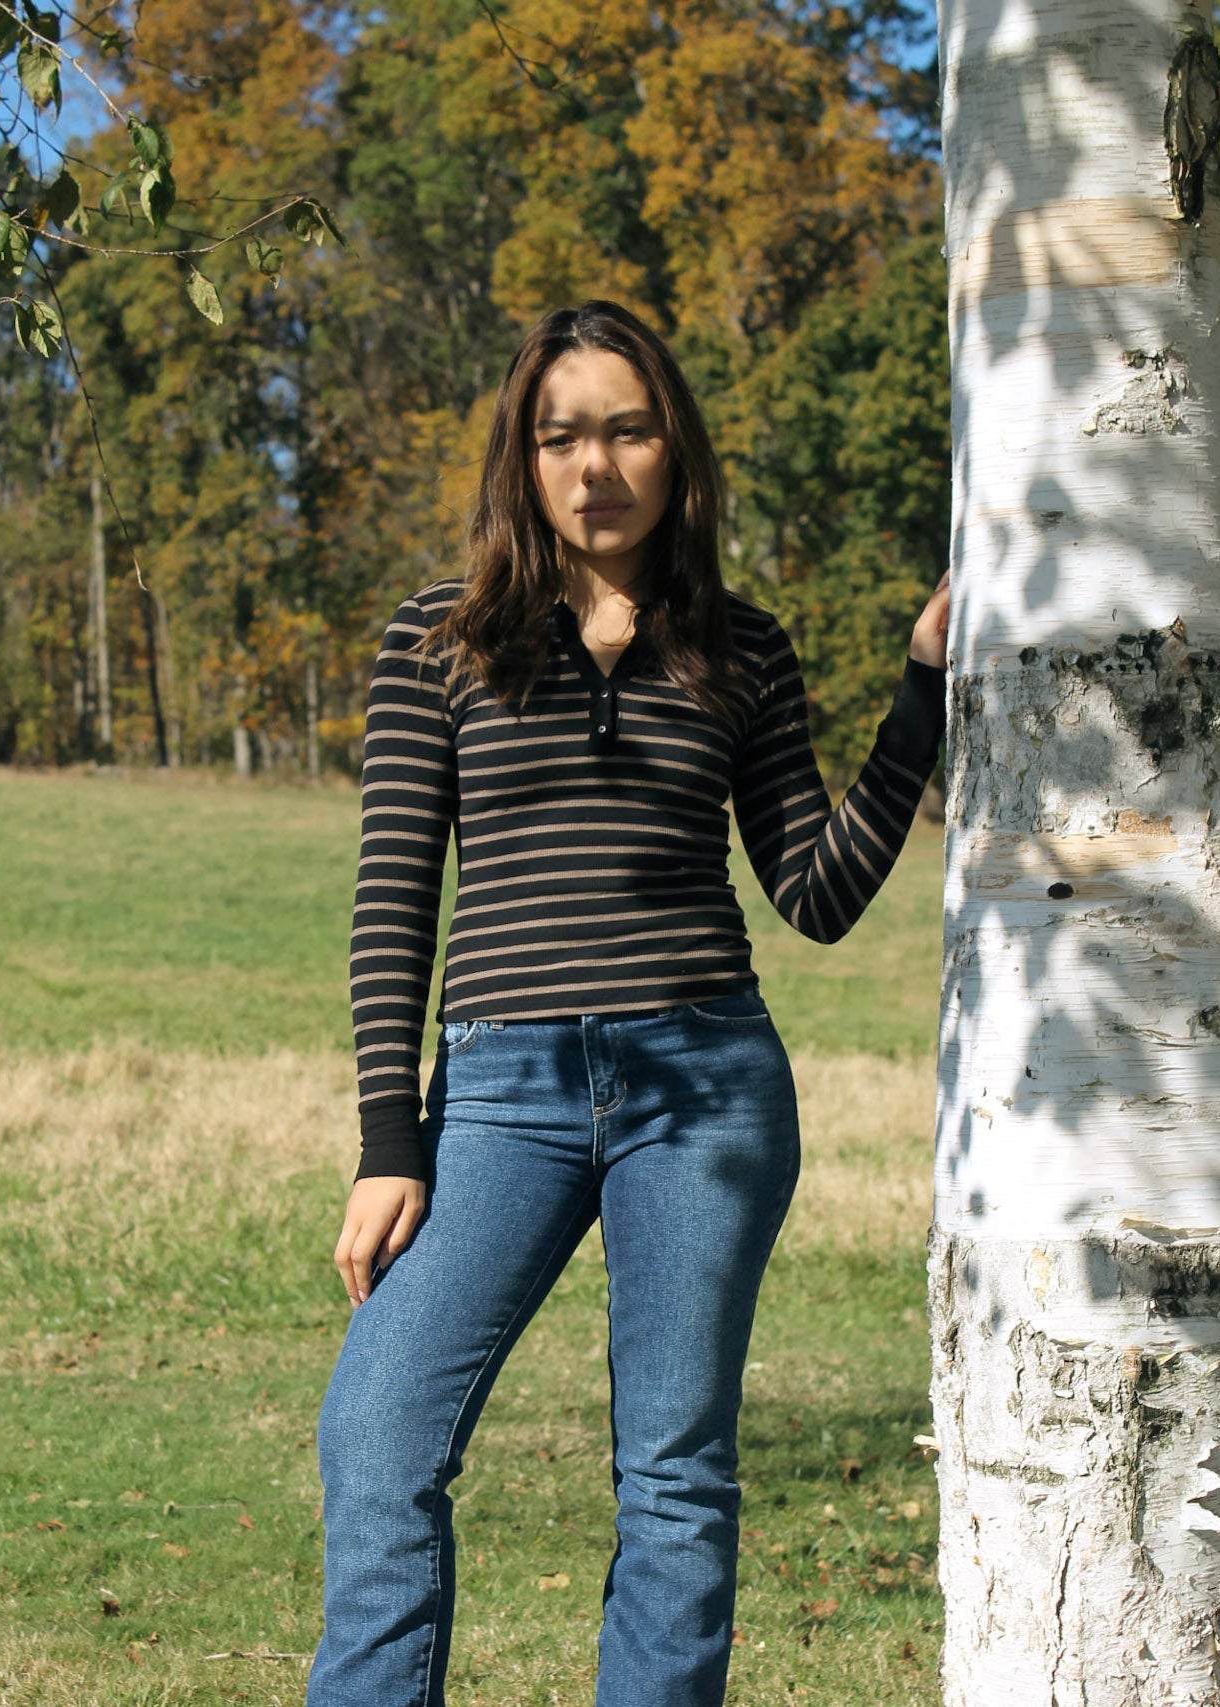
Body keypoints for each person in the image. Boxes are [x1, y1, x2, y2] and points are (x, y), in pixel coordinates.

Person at [306, 299, 949, 1707]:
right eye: (559, 437)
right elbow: (392, 902)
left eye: (625, 429)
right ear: (521, 462)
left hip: (704, 1086)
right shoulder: (441, 638)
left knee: (672, 1477)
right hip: (497, 1094)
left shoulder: (743, 647)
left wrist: (919, 695)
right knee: (377, 1437)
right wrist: (385, 1140)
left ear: (674, 452)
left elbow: (817, 893)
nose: (593, 465)